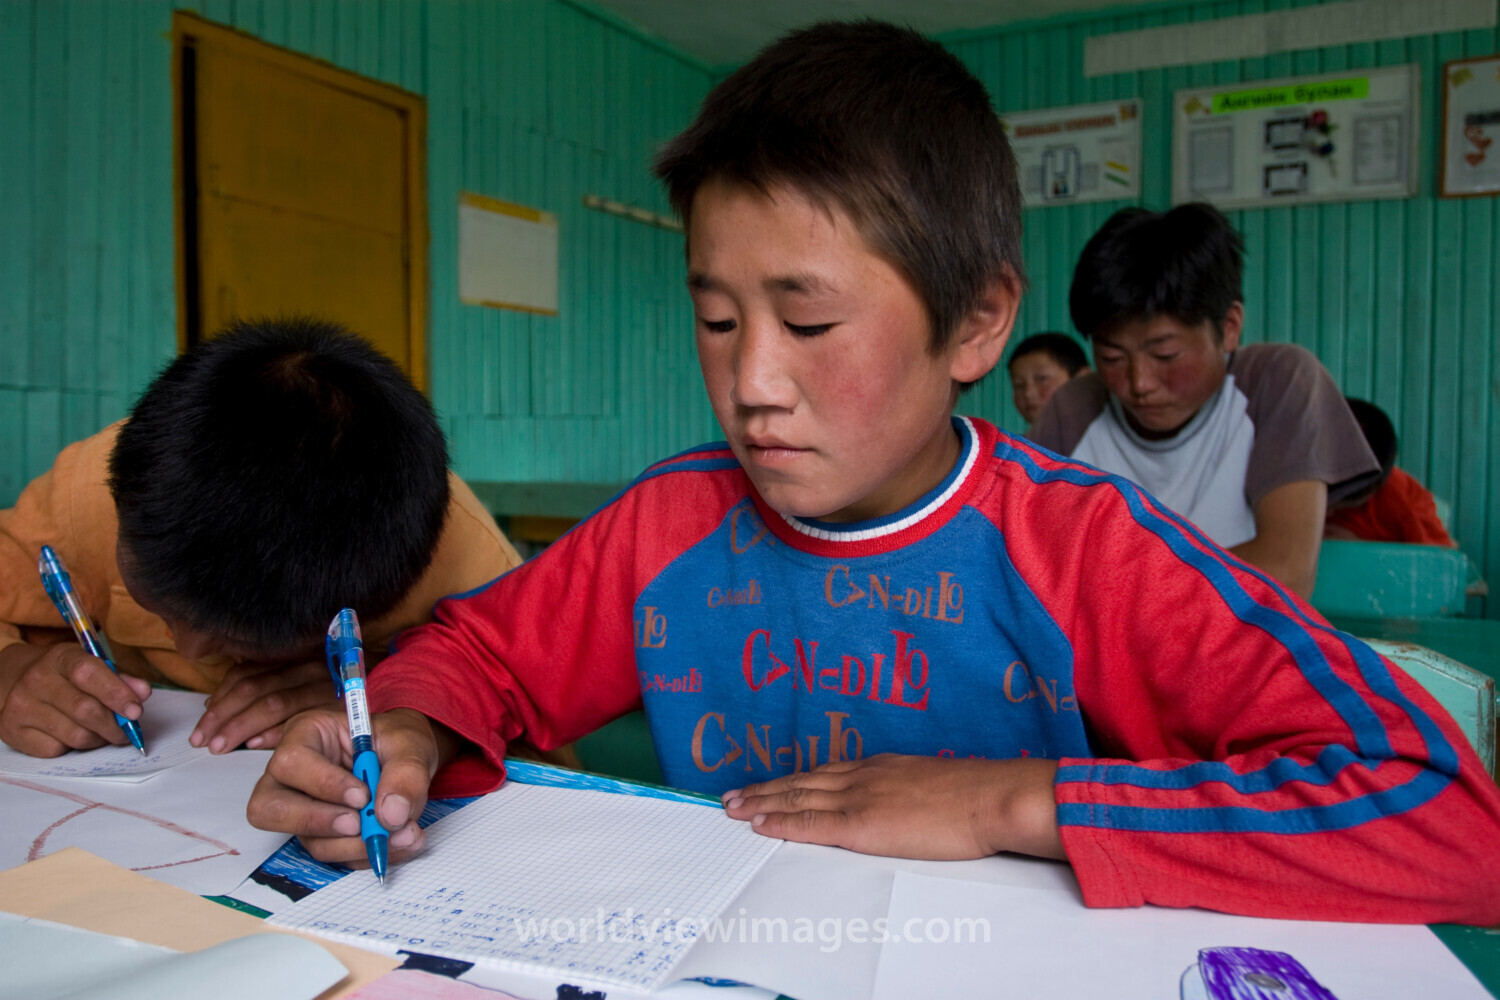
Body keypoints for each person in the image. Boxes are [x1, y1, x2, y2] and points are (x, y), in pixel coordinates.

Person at [248, 22, 1500, 925]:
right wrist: (404, 728)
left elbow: (1441, 813)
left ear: (975, 325)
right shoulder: (670, 525)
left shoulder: (1094, 554)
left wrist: (1013, 802)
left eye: (808, 321)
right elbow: (479, 655)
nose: (751, 383)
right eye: (720, 318)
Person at [0, 317, 523, 758]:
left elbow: (535, 752)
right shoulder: (95, 487)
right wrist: (10, 670)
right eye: (155, 603)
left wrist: (393, 700)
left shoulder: (481, 581)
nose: (189, 648)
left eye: (241, 640)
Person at [1030, 204, 1380, 599]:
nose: (1139, 383)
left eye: (1165, 355)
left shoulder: (1277, 382)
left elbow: (1286, 573)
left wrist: (1117, 592)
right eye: (1111, 358)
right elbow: (1032, 562)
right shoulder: (1075, 408)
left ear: (1229, 328)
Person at [1326, 398, 1456, 547]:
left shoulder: (1402, 501)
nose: (1327, 513)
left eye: (1336, 505)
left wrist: (1362, 549)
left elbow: (1436, 559)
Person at [1007, 331, 1088, 428]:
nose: (1028, 393)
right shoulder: (1015, 443)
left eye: (1042, 379)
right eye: (1018, 385)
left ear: (1082, 379)